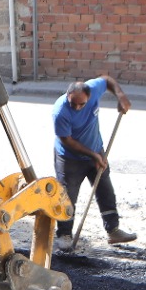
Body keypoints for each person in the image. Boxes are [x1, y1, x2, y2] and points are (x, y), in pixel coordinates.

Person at [53, 73, 137, 245]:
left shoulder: (94, 88)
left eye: (81, 104)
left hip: (96, 150)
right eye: (73, 104)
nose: (77, 108)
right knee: (67, 196)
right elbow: (67, 140)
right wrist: (93, 155)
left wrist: (120, 96)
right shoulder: (60, 111)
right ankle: (64, 235)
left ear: (89, 96)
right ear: (67, 97)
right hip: (70, 158)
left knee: (105, 189)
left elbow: (107, 80)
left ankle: (113, 230)